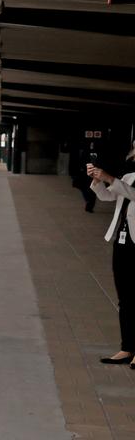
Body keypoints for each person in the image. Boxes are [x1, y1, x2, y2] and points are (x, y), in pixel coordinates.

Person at [87, 148, 135, 366]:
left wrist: (109, 177)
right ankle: (127, 348)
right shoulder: (128, 175)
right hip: (123, 241)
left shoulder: (123, 179)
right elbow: (108, 196)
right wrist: (98, 181)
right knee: (125, 298)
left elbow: (133, 194)